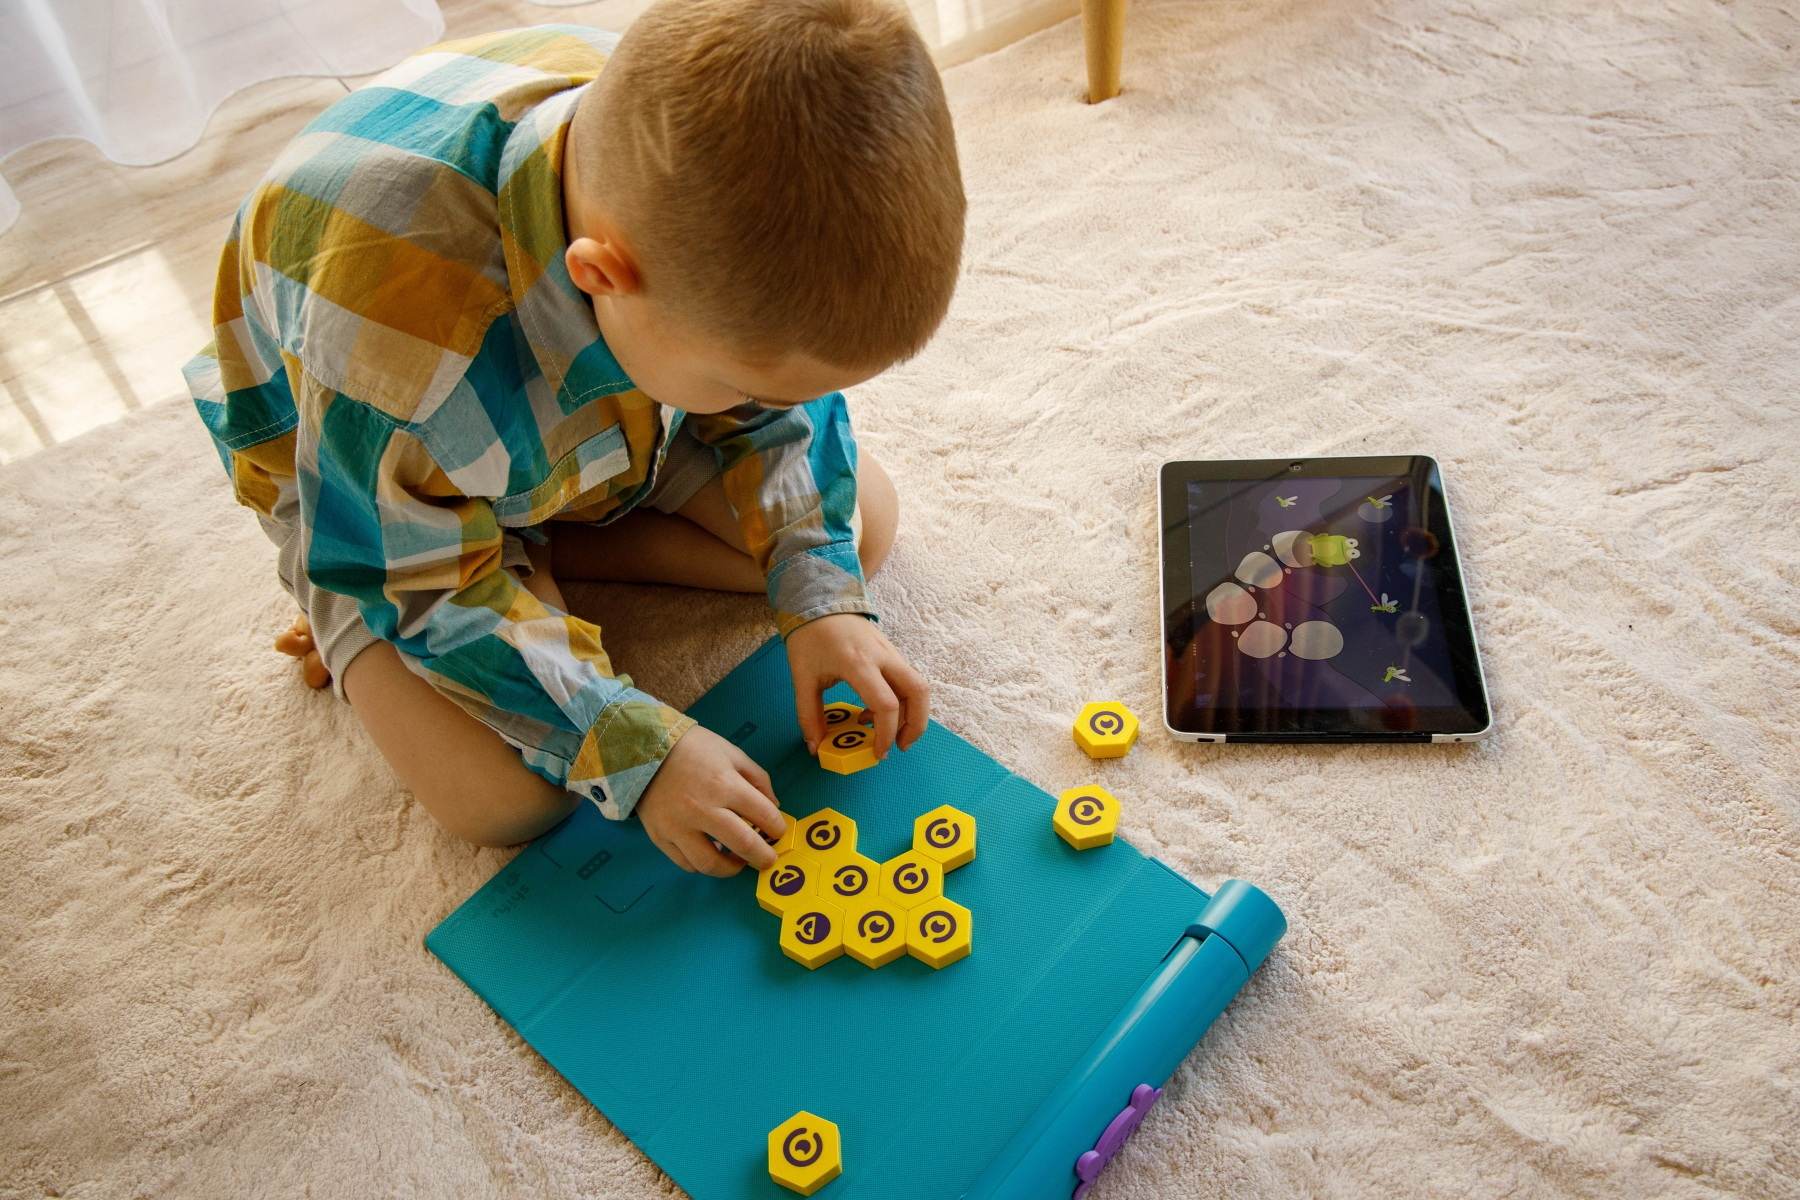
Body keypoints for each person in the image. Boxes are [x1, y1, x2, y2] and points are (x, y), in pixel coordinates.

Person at [182, 0, 963, 875]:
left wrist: (823, 602)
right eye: (746, 386)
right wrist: (643, 749)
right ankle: (406, 588)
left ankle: (538, 548)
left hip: (603, 427)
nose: (770, 406)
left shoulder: (671, 188)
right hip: (378, 512)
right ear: (601, 276)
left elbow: (781, 419)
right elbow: (415, 584)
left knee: (855, 533)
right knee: (507, 800)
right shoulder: (402, 352)